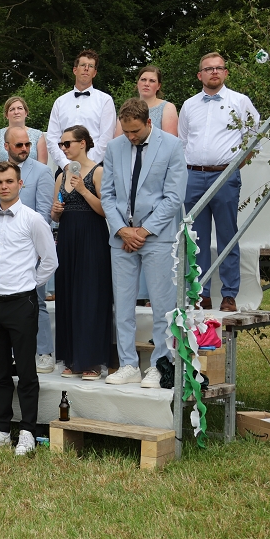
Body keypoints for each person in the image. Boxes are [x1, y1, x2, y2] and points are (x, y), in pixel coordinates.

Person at [0, 161, 58, 456]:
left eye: (9, 181)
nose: (4, 186)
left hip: (21, 303)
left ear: (20, 184)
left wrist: (30, 283)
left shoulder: (33, 219)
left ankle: (28, 431)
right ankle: (0, 428)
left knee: (26, 370)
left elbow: (50, 260)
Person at [102, 98, 187, 388]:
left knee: (162, 305)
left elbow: (174, 197)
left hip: (157, 236)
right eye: (126, 131)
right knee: (123, 305)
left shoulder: (172, 146)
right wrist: (122, 230)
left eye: (135, 131)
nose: (130, 137)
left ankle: (160, 364)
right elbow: (107, 195)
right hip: (122, 237)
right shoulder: (114, 147)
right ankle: (128, 363)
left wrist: (143, 231)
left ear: (149, 122)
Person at [179, 52, 261, 312]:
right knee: (196, 237)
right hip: (193, 176)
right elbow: (183, 142)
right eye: (208, 68)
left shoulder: (240, 101)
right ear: (199, 75)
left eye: (218, 68)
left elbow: (254, 138)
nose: (214, 72)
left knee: (227, 234)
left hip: (225, 175)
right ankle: (200, 293)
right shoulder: (189, 105)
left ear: (225, 73)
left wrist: (235, 166)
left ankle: (229, 294)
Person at [0, 126, 55, 373]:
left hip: (29, 245)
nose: (24, 149)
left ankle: (44, 352)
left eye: (27, 144)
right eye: (19, 145)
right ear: (6, 147)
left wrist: (34, 254)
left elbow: (44, 211)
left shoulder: (42, 171)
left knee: (37, 302)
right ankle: (8, 355)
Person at [49, 126, 112, 380]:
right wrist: (56, 211)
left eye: (68, 143)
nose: (63, 148)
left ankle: (92, 361)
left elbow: (106, 210)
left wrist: (84, 190)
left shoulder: (98, 171)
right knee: (68, 295)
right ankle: (72, 358)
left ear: (83, 143)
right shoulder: (62, 174)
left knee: (90, 297)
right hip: (67, 238)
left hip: (92, 238)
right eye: (62, 144)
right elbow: (55, 215)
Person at [46, 49, 117, 169]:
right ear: (75, 70)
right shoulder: (60, 102)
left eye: (91, 66)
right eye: (83, 65)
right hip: (65, 167)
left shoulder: (105, 100)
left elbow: (106, 139)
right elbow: (52, 138)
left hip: (94, 167)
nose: (86, 69)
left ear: (94, 73)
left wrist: (87, 164)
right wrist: (65, 164)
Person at [113, 65, 179, 137]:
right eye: (143, 79)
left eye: (152, 81)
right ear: (137, 83)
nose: (146, 84)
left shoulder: (167, 107)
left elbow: (170, 140)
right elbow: (117, 139)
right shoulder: (127, 107)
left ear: (158, 86)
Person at [0, 95, 49, 166]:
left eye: (20, 108)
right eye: (12, 109)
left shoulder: (38, 135)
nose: (16, 112)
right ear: (7, 115)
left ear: (26, 113)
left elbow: (42, 163)